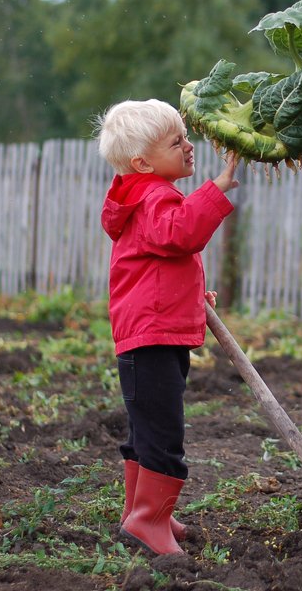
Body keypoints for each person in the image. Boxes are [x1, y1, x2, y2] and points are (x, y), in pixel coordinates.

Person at [95, 99, 239, 556]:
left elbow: (159, 265)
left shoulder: (142, 197)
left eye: (185, 137)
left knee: (147, 430)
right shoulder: (154, 197)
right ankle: (147, 521)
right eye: (176, 142)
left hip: (152, 334)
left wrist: (193, 295)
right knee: (163, 434)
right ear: (142, 162)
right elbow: (182, 234)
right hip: (152, 339)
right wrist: (218, 187)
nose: (189, 146)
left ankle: (145, 514)